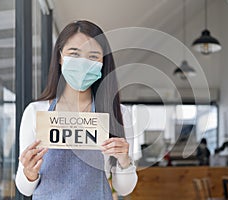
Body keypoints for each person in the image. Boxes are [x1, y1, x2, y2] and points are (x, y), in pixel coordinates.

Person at [15, 20, 138, 199]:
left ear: (103, 62)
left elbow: (124, 189)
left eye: (93, 56)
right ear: (60, 56)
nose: (83, 63)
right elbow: (25, 189)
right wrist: (29, 171)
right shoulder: (36, 112)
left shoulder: (119, 114)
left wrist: (124, 160)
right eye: (74, 53)